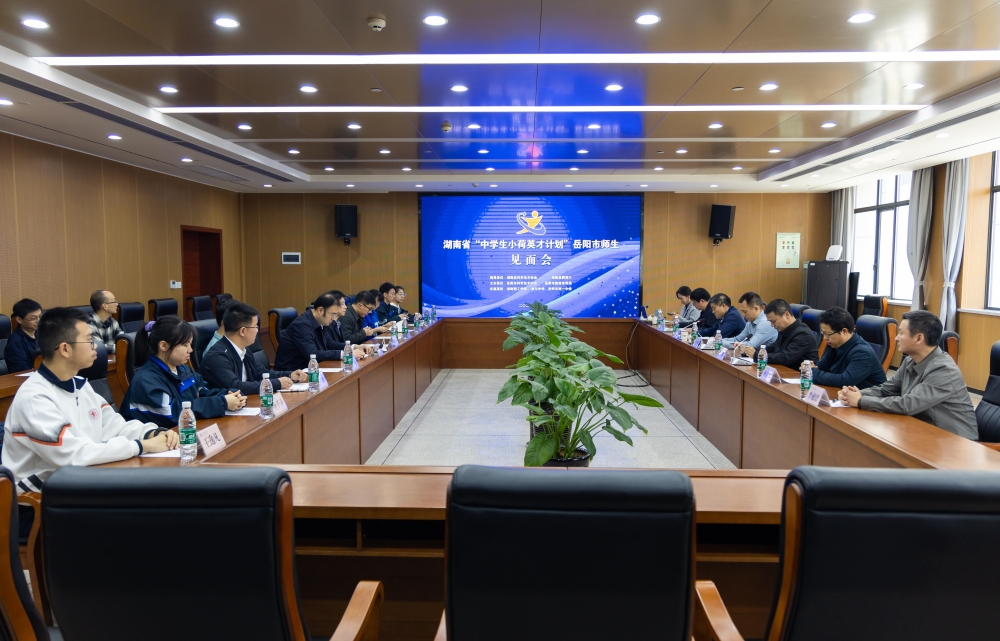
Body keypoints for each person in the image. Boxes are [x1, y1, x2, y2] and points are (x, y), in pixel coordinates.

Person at [3, 307, 177, 495]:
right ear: (65, 349)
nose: (96, 345)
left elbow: (115, 427)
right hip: (42, 497)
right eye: (88, 339)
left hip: (83, 481)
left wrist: (152, 433)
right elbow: (73, 456)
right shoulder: (34, 398)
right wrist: (142, 446)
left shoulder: (80, 385)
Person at [839, 311, 978, 440]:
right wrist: (855, 395)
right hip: (925, 432)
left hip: (956, 442)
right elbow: (886, 390)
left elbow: (908, 404)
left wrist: (861, 401)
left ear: (918, 338)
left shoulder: (944, 370)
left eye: (901, 333)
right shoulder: (910, 361)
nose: (896, 338)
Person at [120, 316, 245, 428]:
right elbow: (174, 413)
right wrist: (222, 402)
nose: (190, 350)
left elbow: (204, 392)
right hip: (152, 440)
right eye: (185, 345)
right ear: (164, 346)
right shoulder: (146, 379)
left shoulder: (183, 369)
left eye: (190, 344)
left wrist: (231, 395)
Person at [200, 302, 307, 395]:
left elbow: (261, 372)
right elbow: (235, 386)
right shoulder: (217, 357)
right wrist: (276, 384)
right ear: (242, 331)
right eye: (255, 326)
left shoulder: (244, 350)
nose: (257, 330)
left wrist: (290, 375)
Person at [274, 293, 369, 370]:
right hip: (292, 375)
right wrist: (345, 354)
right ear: (320, 310)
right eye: (333, 314)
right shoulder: (301, 325)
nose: (334, 318)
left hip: (312, 370)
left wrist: (354, 347)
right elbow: (313, 354)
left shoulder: (321, 321)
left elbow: (330, 344)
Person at [809, 306, 886, 389]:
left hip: (868, 395)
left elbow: (845, 381)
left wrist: (812, 372)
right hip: (843, 392)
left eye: (828, 334)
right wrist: (810, 367)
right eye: (823, 333)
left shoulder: (862, 352)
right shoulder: (834, 344)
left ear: (844, 331)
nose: (825, 338)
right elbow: (822, 366)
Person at [763, 299, 818, 369]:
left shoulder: (803, 334)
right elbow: (773, 348)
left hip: (800, 374)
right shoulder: (783, 329)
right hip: (784, 371)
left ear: (787, 315)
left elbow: (785, 358)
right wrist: (756, 351)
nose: (772, 325)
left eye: (773, 321)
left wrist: (758, 355)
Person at [725, 292, 778, 356]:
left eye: (745, 312)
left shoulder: (765, 323)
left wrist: (722, 343)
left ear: (756, 308)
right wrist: (720, 340)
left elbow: (750, 345)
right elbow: (738, 339)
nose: (743, 315)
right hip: (753, 358)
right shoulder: (750, 322)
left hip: (766, 359)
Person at [5, 299, 42, 373]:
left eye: (40, 316)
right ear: (19, 320)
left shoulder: (43, 334)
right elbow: (21, 371)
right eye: (33, 318)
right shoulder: (15, 342)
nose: (38, 321)